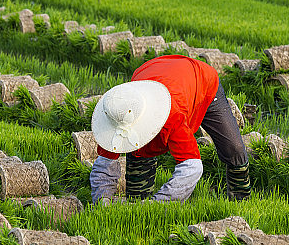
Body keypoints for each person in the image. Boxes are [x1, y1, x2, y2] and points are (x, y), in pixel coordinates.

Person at [89, 54, 250, 203]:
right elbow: (104, 165)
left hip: (202, 81)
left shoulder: (171, 116)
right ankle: (138, 199)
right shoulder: (118, 109)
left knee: (233, 148)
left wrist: (158, 204)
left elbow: (192, 167)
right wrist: (103, 200)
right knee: (138, 152)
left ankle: (240, 200)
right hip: (154, 71)